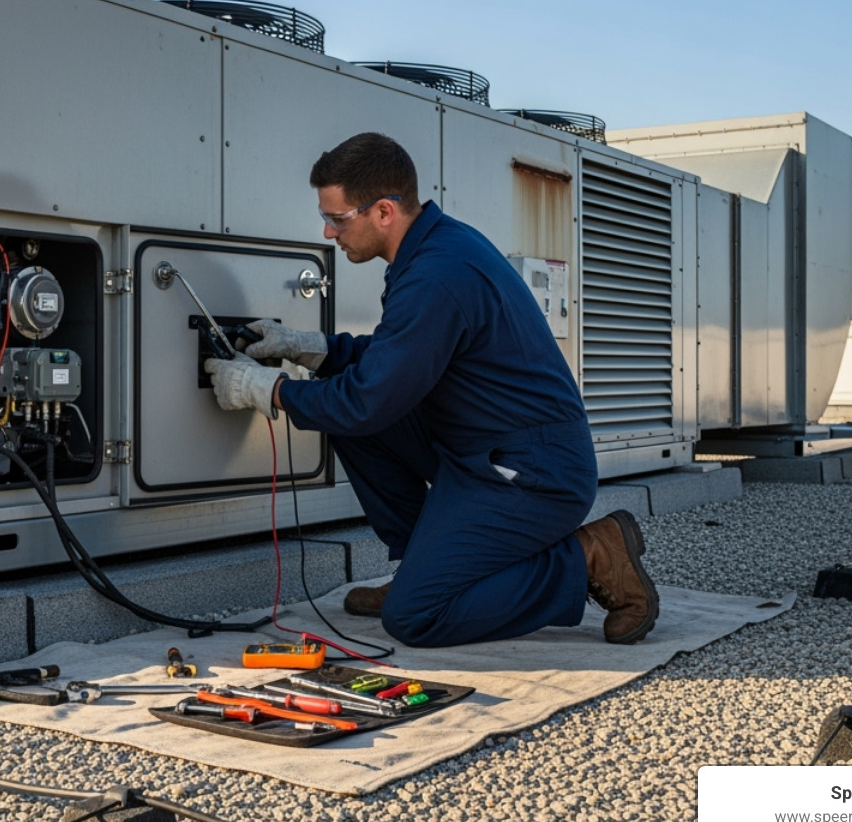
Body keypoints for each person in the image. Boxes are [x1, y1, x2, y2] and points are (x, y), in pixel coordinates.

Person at [203, 132, 658, 647]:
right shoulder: (435, 247)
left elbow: (369, 399)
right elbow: (407, 354)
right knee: (348, 407)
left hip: (531, 474)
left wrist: (268, 389)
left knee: (416, 616)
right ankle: (425, 563)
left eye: (337, 218)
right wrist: (318, 348)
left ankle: (591, 555)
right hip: (484, 449)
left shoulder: (436, 274)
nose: (328, 232)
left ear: (382, 212)